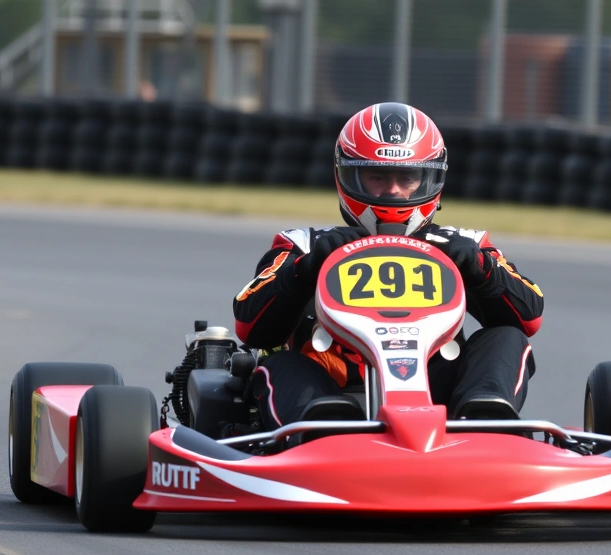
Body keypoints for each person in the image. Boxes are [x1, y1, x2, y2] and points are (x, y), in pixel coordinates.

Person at [233, 102, 543, 429]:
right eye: (377, 177)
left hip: (438, 391)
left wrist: (482, 270)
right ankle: (319, 433)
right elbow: (249, 324)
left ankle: (484, 422)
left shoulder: (465, 246)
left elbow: (530, 315)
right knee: (279, 363)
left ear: (431, 179)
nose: (393, 191)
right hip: (329, 390)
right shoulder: (304, 245)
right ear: (348, 177)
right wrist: (305, 270)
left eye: (407, 177)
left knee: (508, 336)